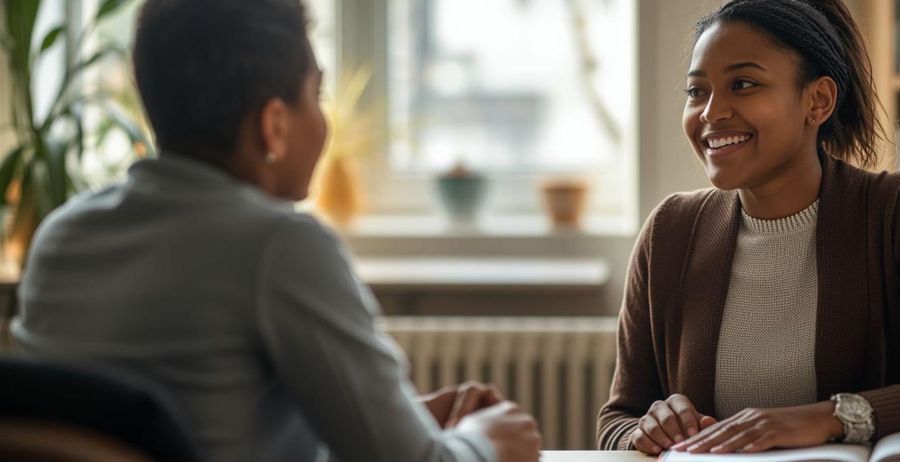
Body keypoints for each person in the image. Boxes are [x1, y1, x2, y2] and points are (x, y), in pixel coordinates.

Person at [12, 0, 541, 461]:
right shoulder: (280, 247)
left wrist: (392, 424)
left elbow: (210, 434)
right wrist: (486, 441)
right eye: (317, 94)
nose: (325, 120)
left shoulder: (60, 237)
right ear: (274, 125)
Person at [597, 0, 900, 455]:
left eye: (742, 85)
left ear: (817, 101)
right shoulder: (670, 232)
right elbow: (616, 419)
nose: (710, 112)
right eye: (696, 92)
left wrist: (831, 417)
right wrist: (645, 430)